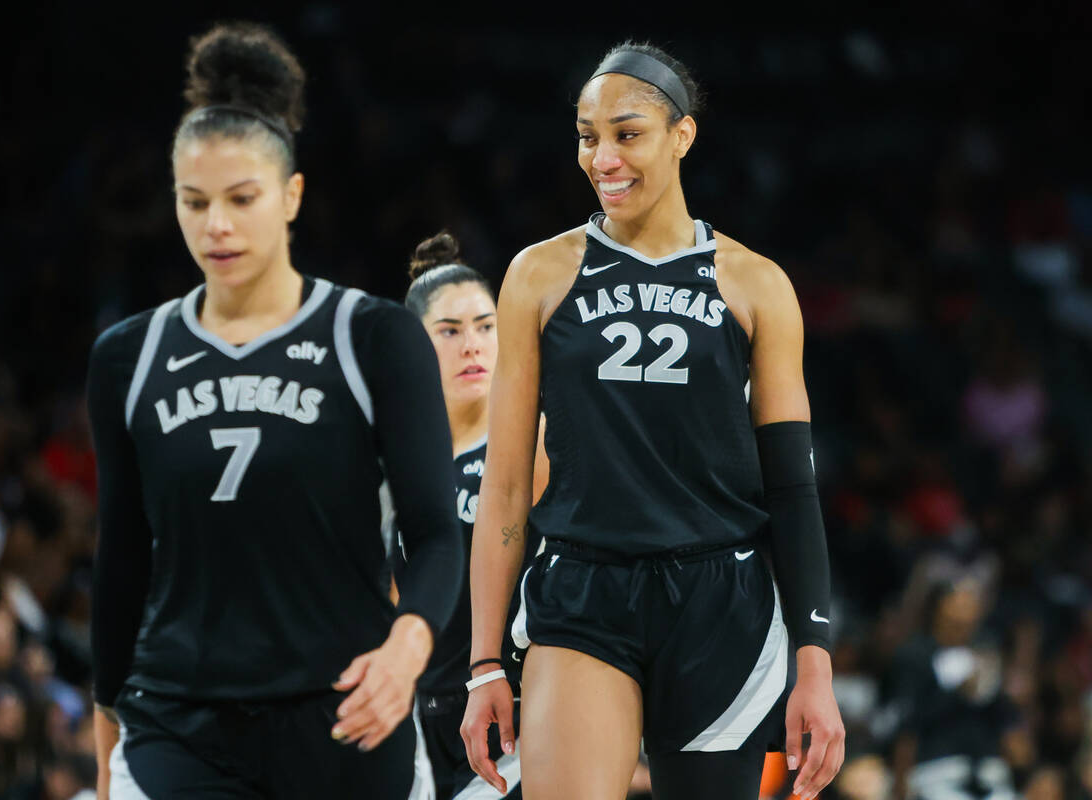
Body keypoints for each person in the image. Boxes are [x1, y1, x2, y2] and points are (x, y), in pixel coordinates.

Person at [461, 42, 845, 800]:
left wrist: (816, 659)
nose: (603, 156)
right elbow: (504, 487)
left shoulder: (756, 283)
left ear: (682, 134)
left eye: (627, 133)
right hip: (582, 590)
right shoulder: (537, 275)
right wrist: (481, 665)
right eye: (586, 134)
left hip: (722, 603)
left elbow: (793, 493)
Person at [86, 22, 461, 798]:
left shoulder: (373, 337)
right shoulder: (129, 355)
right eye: (194, 201)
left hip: (349, 713)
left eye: (241, 198)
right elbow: (121, 553)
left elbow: (434, 534)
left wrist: (408, 647)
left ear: (291, 196)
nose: (215, 224)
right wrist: (105, 712)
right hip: (176, 724)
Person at [400, 232, 548, 799]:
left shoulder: (538, 442)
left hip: (517, 718)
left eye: (487, 326)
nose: (474, 346)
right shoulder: (391, 462)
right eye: (450, 330)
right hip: (416, 723)